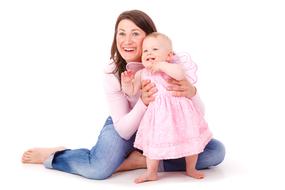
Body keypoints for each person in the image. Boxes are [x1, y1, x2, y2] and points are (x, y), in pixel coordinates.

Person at [21, 10, 225, 180]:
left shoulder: (170, 64)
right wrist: (143, 103)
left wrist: (192, 92)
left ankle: (141, 160)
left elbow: (197, 113)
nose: (127, 40)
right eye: (121, 33)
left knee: (215, 152)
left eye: (135, 33)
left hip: (164, 128)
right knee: (98, 169)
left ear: (150, 36)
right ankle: (57, 155)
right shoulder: (113, 72)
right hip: (125, 126)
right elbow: (124, 130)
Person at [121, 32, 212, 183]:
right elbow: (131, 91)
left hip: (181, 116)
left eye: (155, 50)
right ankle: (151, 172)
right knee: (152, 147)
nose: (149, 53)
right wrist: (127, 83)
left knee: (191, 141)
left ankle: (191, 168)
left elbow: (180, 75)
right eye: (145, 51)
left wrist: (162, 65)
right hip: (158, 119)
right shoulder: (142, 73)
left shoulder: (173, 68)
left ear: (169, 55)